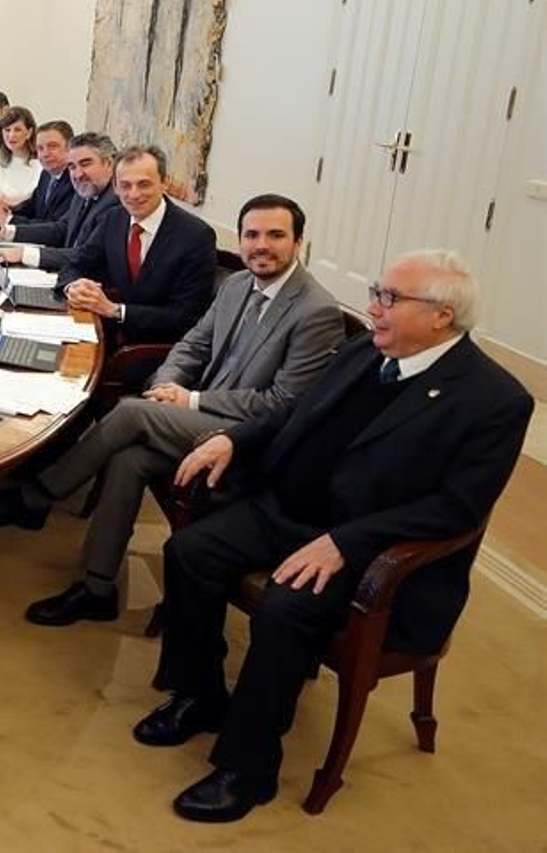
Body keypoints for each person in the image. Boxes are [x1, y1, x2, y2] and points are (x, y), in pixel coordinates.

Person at [139, 249, 531, 823]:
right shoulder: (369, 348)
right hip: (290, 511)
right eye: (377, 291)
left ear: (442, 316)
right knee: (188, 552)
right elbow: (298, 410)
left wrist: (347, 542)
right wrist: (236, 440)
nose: (373, 307)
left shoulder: (494, 400)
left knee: (284, 606)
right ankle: (200, 694)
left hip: (368, 545)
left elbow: (458, 508)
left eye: (389, 299)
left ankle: (248, 767)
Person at [0, 196, 344, 627]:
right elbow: (193, 345)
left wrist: (191, 400)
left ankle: (39, 492)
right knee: (128, 459)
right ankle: (96, 587)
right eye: (252, 235)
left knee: (129, 412)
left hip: (249, 440)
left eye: (276, 235)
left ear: (299, 243)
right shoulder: (237, 284)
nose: (261, 245)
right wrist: (168, 384)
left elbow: (283, 404)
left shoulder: (317, 311)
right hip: (198, 420)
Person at [56, 143, 218, 345]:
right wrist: (73, 287)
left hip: (158, 349)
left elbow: (186, 317)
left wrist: (115, 310)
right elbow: (75, 263)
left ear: (164, 182)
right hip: (108, 336)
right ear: (115, 186)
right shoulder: (113, 219)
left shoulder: (196, 236)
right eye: (125, 185)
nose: (133, 194)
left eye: (144, 184)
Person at [0, 130, 118, 272]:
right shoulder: (84, 190)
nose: (78, 174)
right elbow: (62, 229)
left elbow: (87, 255)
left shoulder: (115, 203)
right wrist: (7, 232)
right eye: (72, 166)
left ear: (108, 164)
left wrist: (24, 254)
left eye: (86, 164)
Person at [0, 120, 75, 224]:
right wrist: (6, 209)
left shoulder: (75, 180)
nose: (45, 154)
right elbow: (31, 207)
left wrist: (9, 220)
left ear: (69, 148)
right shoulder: (46, 174)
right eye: (40, 148)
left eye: (52, 146)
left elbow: (55, 228)